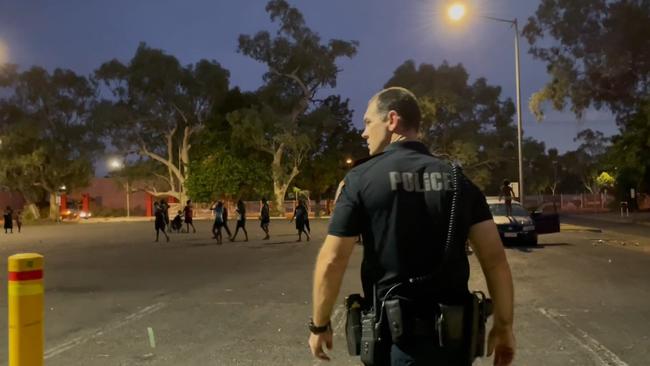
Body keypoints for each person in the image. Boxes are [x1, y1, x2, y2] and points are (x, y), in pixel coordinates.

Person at [308, 87, 515, 365]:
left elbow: (333, 259)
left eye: (369, 122)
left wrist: (319, 325)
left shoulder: (360, 179)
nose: (364, 133)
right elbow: (495, 261)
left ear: (392, 120)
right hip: (453, 346)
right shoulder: (459, 180)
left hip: (395, 346)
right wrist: (503, 327)